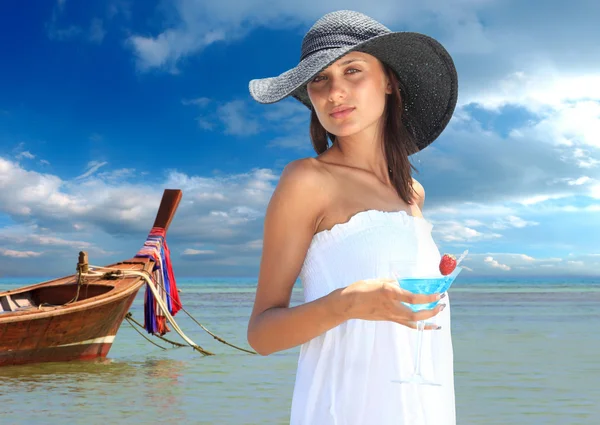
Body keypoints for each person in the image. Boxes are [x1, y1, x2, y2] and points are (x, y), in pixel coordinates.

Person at [246, 10, 458, 425]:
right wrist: (347, 304)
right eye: (319, 79)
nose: (334, 92)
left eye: (353, 70)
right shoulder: (307, 180)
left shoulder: (412, 193)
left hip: (420, 406)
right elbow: (262, 335)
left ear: (390, 82)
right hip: (346, 407)